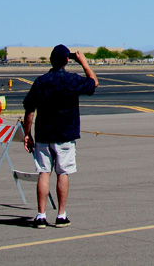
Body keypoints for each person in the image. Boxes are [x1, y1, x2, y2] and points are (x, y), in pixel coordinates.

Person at [22, 45, 97, 228]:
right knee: (62, 172)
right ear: (66, 61)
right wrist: (84, 63)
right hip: (64, 134)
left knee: (44, 172)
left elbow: (29, 109)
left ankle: (41, 215)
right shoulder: (71, 80)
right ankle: (61, 214)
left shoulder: (41, 81)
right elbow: (93, 83)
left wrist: (27, 134)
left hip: (43, 134)